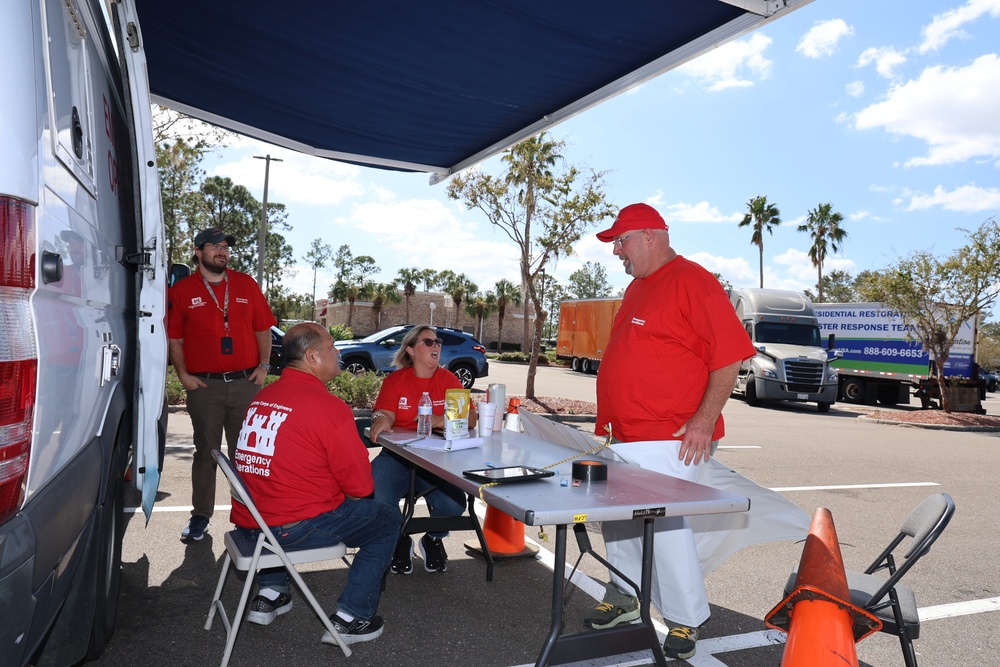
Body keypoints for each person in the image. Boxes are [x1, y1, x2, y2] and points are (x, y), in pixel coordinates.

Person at [587, 203, 756, 661]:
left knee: (666, 528)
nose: (617, 251)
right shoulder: (637, 287)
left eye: (621, 241)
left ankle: (684, 620)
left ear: (650, 236)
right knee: (621, 524)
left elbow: (729, 357)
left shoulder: (692, 281)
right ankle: (623, 598)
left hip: (671, 437)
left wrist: (703, 420)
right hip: (628, 435)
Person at [230, 323, 401, 645]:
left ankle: (271, 592)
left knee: (284, 495)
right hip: (287, 528)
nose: (338, 352)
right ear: (312, 356)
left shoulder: (264, 396)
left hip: (251, 522)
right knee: (387, 520)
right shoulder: (329, 407)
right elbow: (361, 488)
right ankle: (352, 618)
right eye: (333, 346)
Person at [167, 228, 276, 541]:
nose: (222, 251)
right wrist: (184, 375)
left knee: (246, 454)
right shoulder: (183, 291)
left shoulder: (246, 284)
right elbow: (175, 337)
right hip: (205, 387)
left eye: (226, 246)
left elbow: (263, 329)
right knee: (206, 454)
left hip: (245, 384)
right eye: (215, 246)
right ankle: (200, 517)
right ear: (199, 251)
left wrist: (264, 366)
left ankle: (248, 518)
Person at [367, 325, 476, 574]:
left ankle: (433, 539)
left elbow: (470, 419)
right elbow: (384, 412)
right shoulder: (396, 380)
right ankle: (399, 538)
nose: (436, 345)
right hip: (398, 457)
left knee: (453, 505)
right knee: (377, 494)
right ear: (411, 350)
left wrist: (441, 419)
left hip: (439, 459)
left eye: (437, 341)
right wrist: (381, 418)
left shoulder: (449, 379)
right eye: (428, 342)